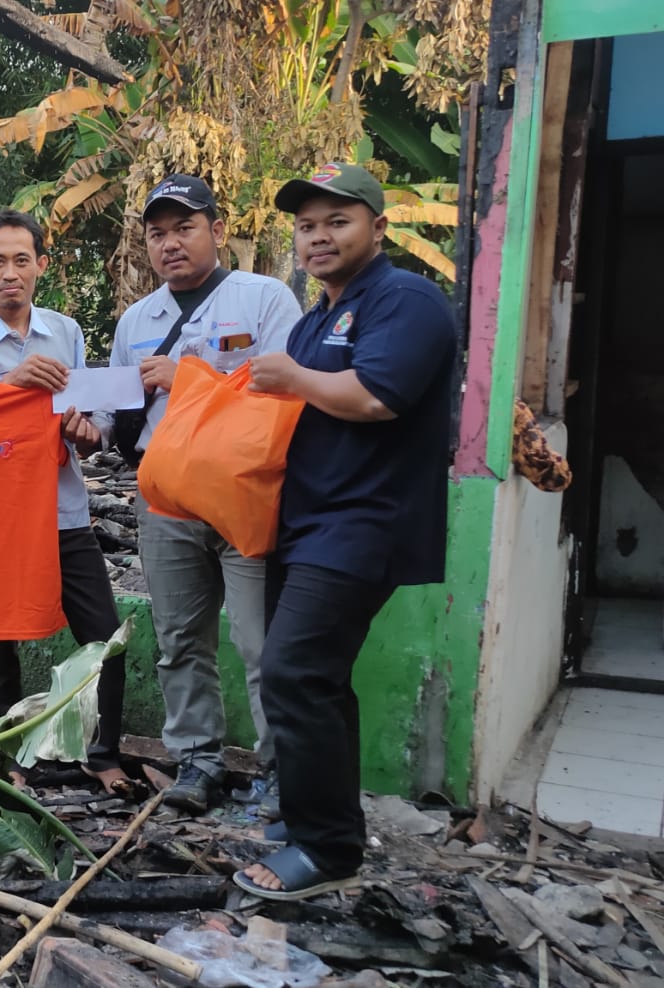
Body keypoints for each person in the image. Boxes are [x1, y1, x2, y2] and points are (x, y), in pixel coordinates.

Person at [236, 162, 455, 900]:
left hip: (365, 522)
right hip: (306, 523)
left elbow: (375, 399)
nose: (319, 236)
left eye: (338, 220)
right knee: (307, 676)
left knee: (298, 672)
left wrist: (291, 378)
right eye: (306, 225)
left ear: (378, 227)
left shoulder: (407, 301)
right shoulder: (316, 317)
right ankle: (308, 818)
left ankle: (327, 850)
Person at [102, 176, 300, 814]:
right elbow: (117, 414)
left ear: (217, 229)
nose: (170, 244)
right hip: (165, 504)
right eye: (157, 234)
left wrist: (190, 378)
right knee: (179, 640)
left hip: (246, 497)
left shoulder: (265, 299)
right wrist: (85, 423)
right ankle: (197, 761)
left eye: (184, 228)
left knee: (260, 641)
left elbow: (286, 393)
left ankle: (280, 772)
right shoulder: (137, 320)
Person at [0, 208, 129, 794]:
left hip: (63, 511)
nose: (10, 273)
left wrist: (87, 429)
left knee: (103, 638)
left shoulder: (66, 333)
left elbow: (94, 411)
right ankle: (6, 758)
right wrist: (8, 385)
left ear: (41, 266)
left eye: (22, 260)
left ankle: (103, 755)